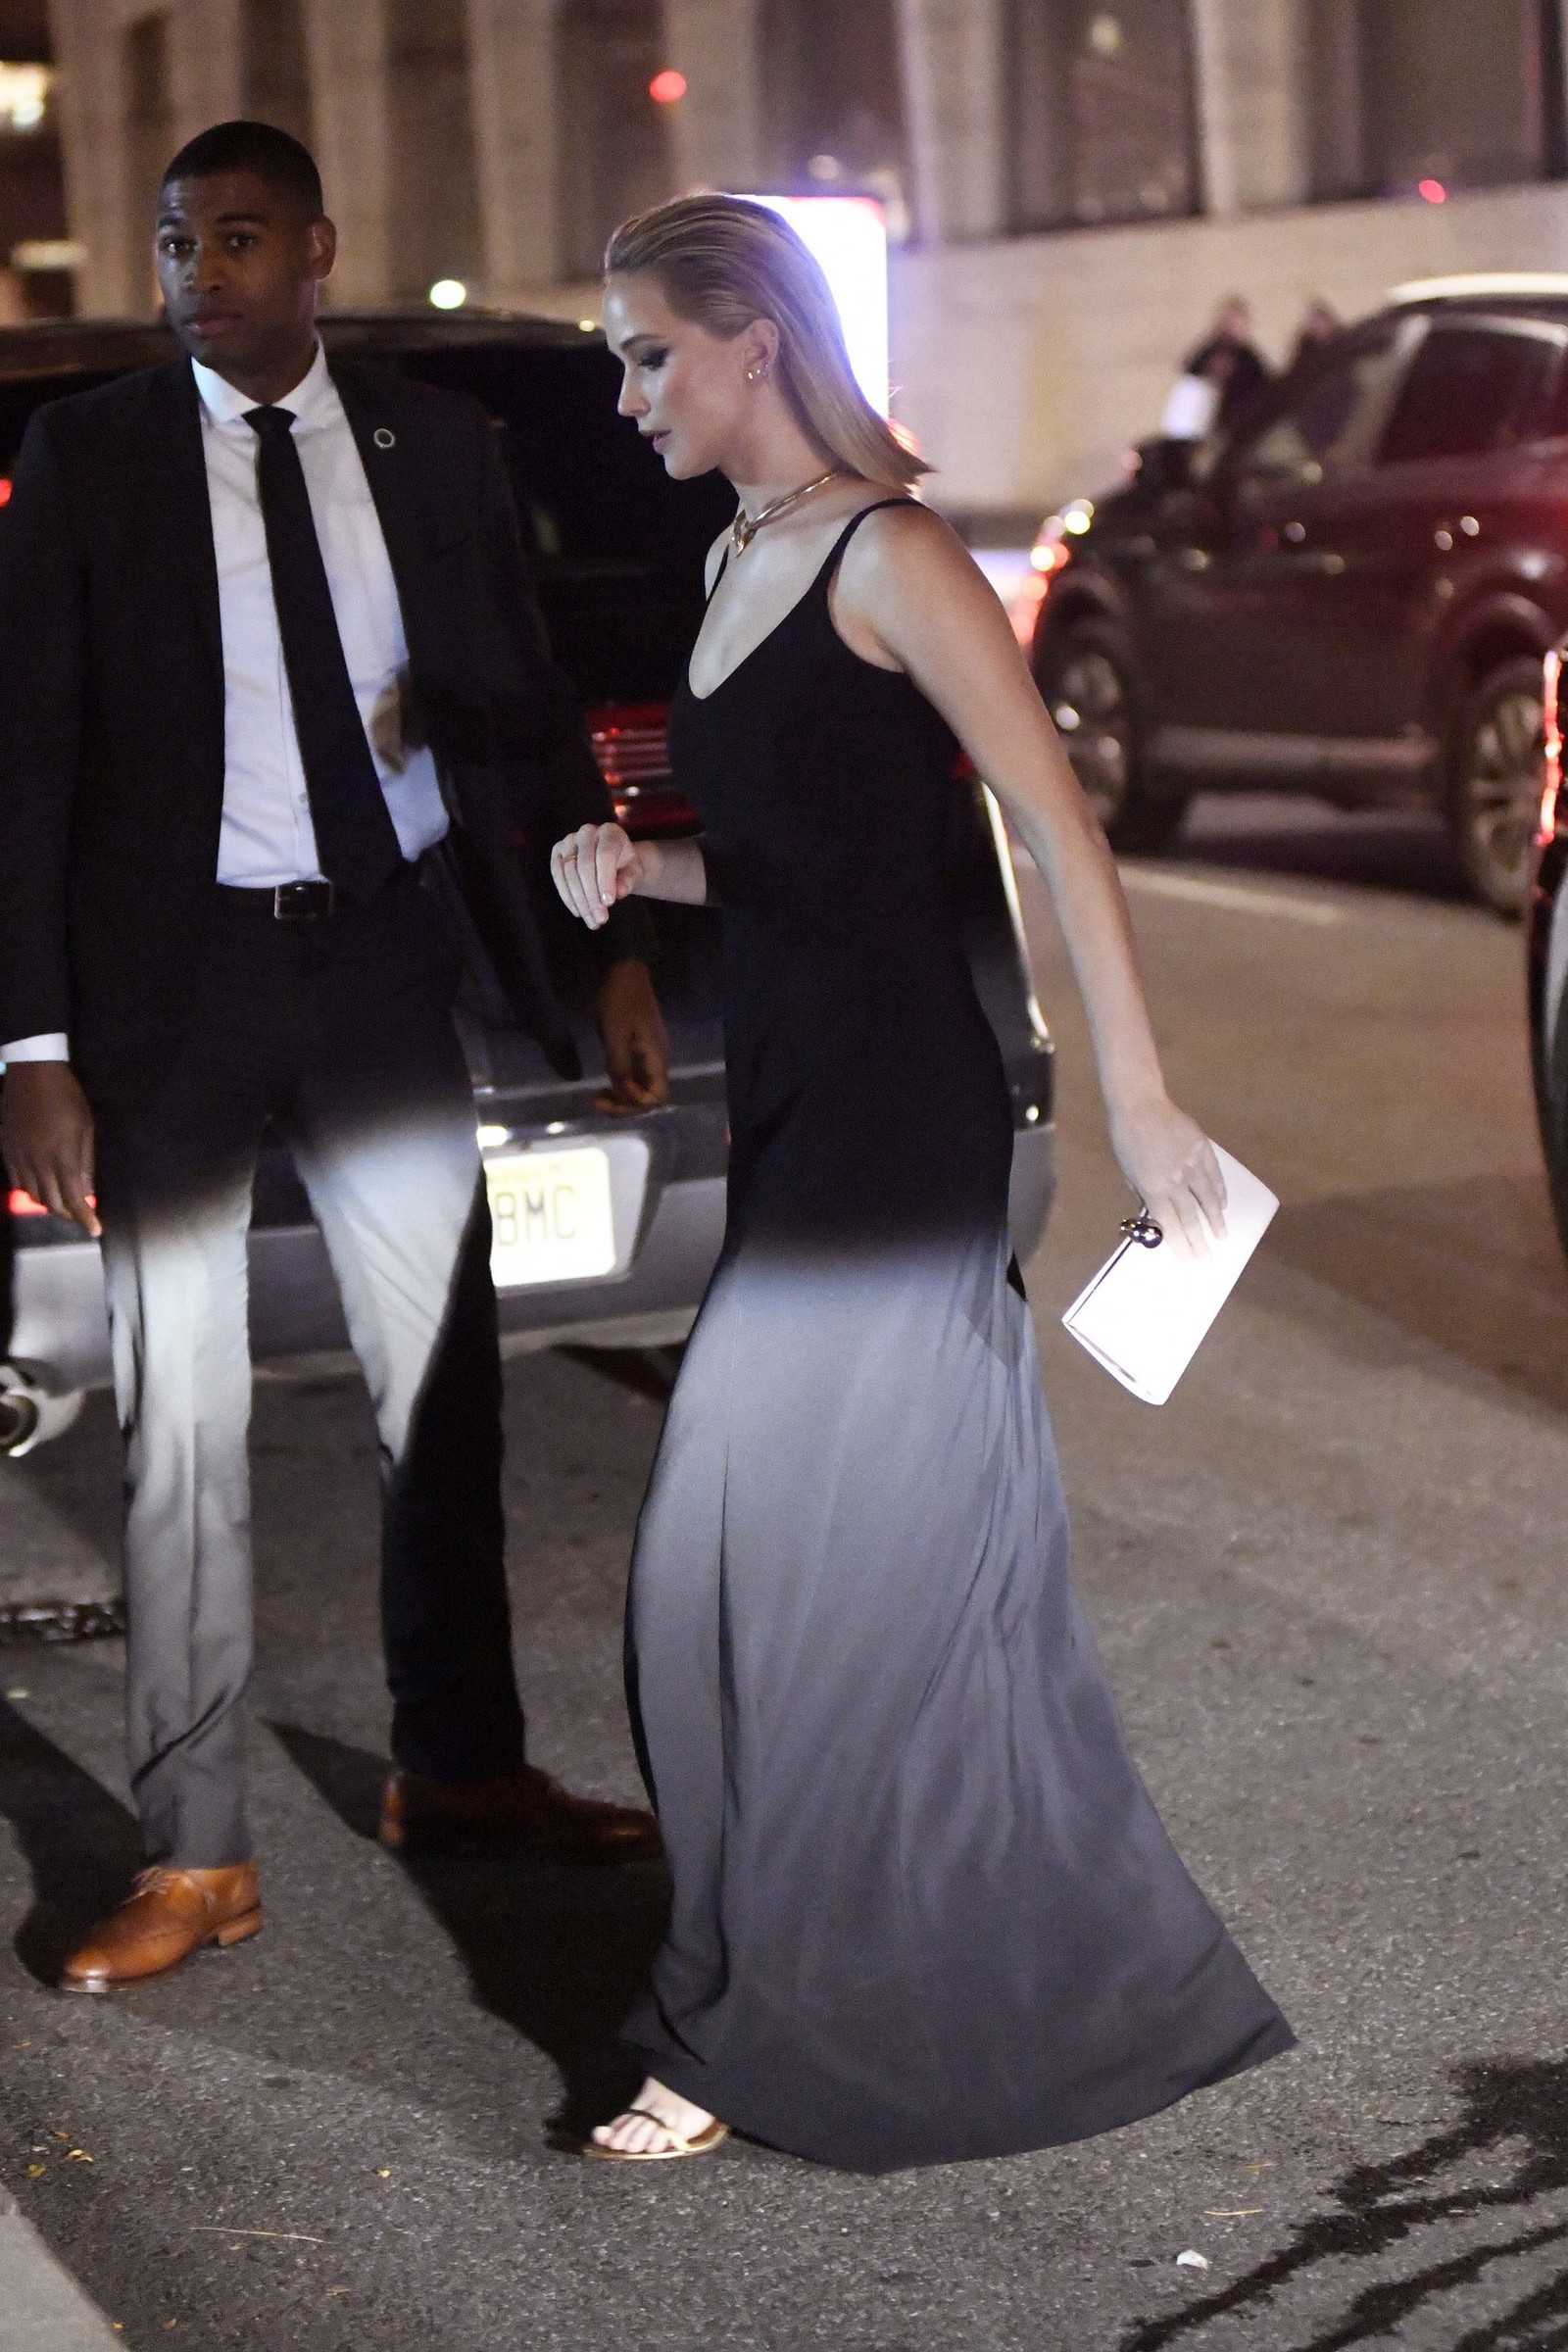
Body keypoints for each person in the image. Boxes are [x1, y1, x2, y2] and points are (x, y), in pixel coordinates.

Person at [550, 194, 1293, 2170]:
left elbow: (1056, 830)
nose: (625, 395)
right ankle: (914, 1970)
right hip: (797, 1112)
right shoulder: (736, 554)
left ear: (753, 339)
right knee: (818, 1587)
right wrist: (644, 868)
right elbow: (807, 858)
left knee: (726, 1568)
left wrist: (1142, 1105)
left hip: (898, 1132)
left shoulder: (893, 554)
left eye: (646, 353)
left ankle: (733, 2021)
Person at [0, 121, 666, 1993]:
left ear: (317, 253)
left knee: (438, 1390)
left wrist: (606, 952)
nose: (196, 272)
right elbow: (23, 753)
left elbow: (519, 711)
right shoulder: (94, 455)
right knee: (181, 1427)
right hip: (178, 990)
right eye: (173, 243)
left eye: (235, 238)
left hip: (384, 965)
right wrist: (33, 1042)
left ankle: (461, 1770)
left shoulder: (430, 446)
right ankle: (194, 1852)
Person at [1178, 295, 1272, 435]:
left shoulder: (1250, 359)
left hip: (1238, 424)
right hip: (1203, 422)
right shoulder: (1209, 351)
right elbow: (1190, 370)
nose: (1230, 327)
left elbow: (1263, 384)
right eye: (1227, 321)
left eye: (1234, 322)